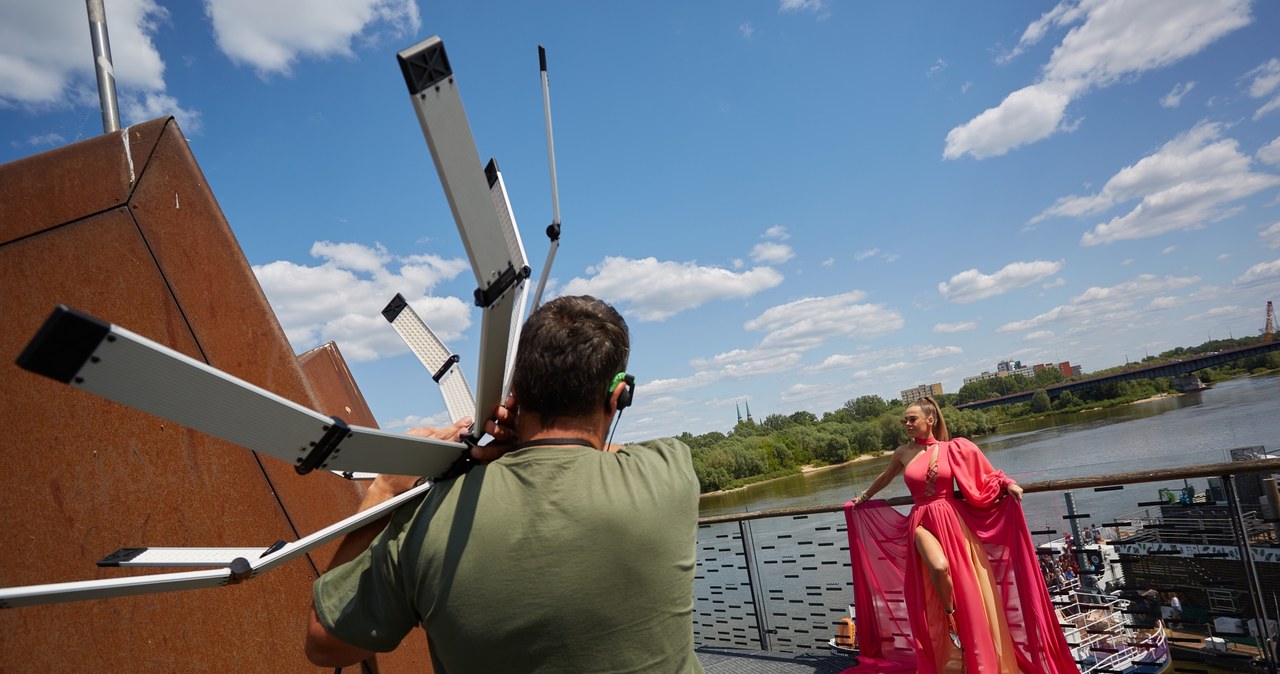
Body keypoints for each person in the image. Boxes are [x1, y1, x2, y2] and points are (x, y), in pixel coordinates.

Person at [304, 295, 704, 673]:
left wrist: (386, 492)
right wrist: (530, 442)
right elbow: (597, 453)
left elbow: (325, 642)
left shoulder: (427, 520)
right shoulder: (670, 471)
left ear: (515, 394)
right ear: (618, 395)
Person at [843, 396, 1079, 673]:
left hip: (952, 521)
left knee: (970, 588)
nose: (906, 424)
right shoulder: (902, 453)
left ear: (930, 420)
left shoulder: (953, 448)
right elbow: (885, 477)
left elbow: (985, 474)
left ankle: (974, 658)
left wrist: (1007, 483)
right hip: (920, 520)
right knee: (939, 568)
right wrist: (862, 498)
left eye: (912, 419)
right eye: (904, 420)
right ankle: (949, 615)